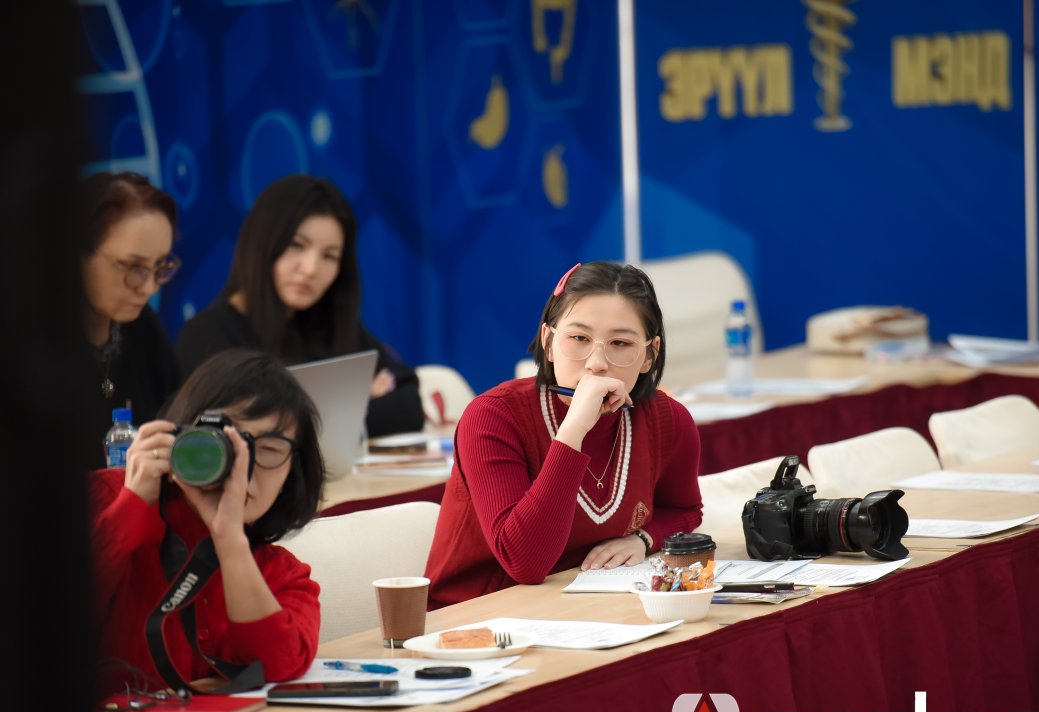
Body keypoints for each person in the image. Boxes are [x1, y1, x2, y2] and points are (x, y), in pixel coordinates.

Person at [425, 261, 703, 607]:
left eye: (620, 343)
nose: (596, 363)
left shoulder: (667, 419)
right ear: (548, 342)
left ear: (650, 354)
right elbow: (525, 563)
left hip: (584, 605)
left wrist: (643, 539)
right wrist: (574, 430)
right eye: (579, 339)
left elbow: (684, 509)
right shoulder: (492, 418)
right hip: (479, 612)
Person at [91, 350, 323, 694]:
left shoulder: (280, 576)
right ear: (180, 435)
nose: (242, 465)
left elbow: (280, 665)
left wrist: (229, 539)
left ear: (294, 472)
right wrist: (133, 505)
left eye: (269, 449)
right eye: (225, 442)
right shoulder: (106, 498)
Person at [176, 174, 423, 436]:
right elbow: (246, 432)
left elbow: (410, 406)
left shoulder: (329, 324)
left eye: (330, 256)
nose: (310, 269)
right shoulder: (208, 335)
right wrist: (354, 409)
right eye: (297, 245)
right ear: (262, 242)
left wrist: (315, 419)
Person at [80, 171, 182, 469]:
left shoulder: (143, 327)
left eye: (160, 266)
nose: (149, 287)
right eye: (133, 266)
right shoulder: (30, 348)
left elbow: (178, 422)